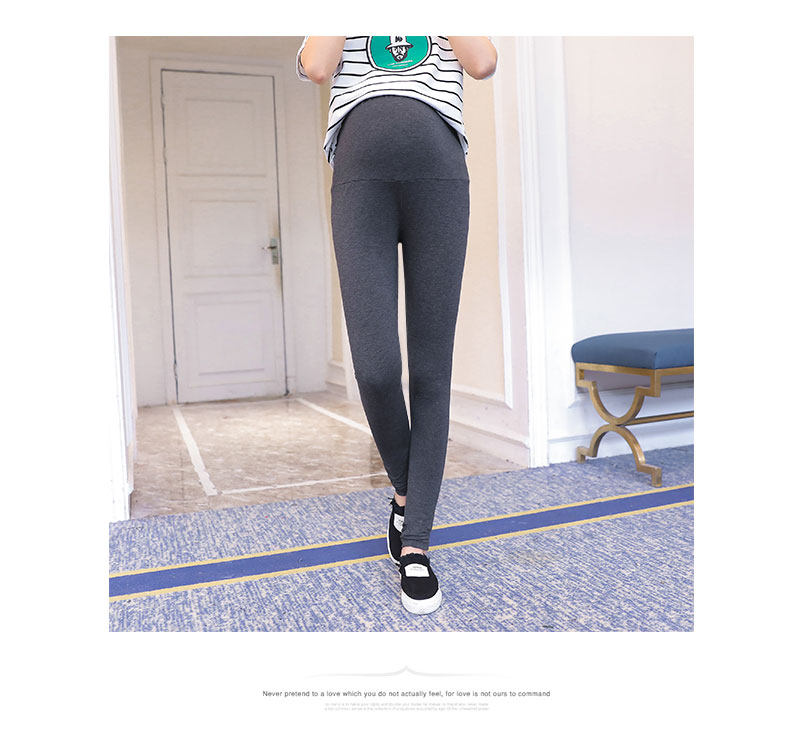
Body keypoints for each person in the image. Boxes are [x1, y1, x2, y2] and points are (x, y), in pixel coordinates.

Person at [296, 36, 498, 615]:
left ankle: (416, 545)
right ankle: (408, 493)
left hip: (440, 176)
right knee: (377, 368)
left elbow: (483, 62)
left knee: (432, 369)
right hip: (360, 177)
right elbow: (316, 66)